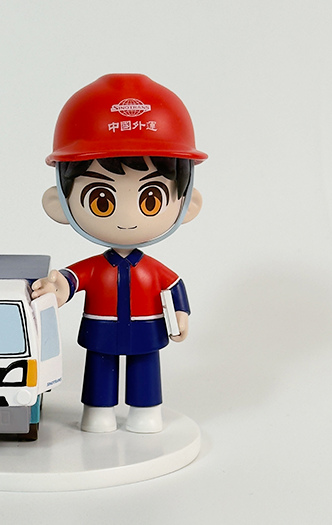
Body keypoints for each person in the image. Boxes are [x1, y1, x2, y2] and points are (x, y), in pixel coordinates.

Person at [31, 74, 207, 433]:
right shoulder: (97, 268)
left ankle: (146, 412)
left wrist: (181, 314)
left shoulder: (152, 269)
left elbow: (173, 286)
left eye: (151, 199)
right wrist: (57, 289)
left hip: (146, 331)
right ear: (59, 204)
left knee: (145, 373)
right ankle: (98, 412)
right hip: (101, 331)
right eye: (102, 200)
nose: (127, 219)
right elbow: (71, 280)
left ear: (187, 204)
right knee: (100, 373)